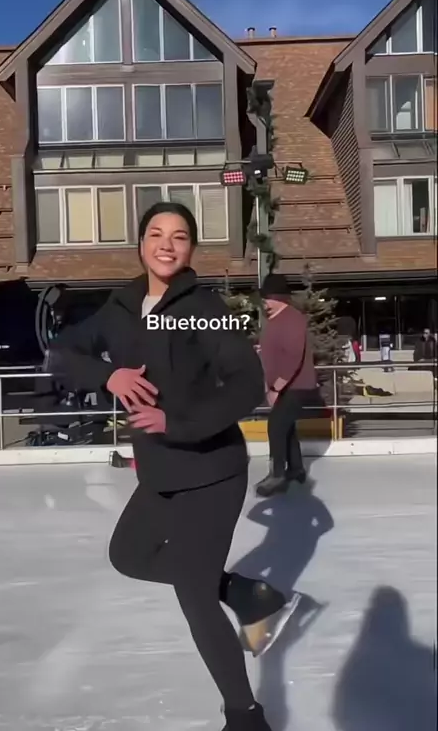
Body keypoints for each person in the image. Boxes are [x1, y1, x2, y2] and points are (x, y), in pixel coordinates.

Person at [50, 202, 297, 731]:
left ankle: (246, 717)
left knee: (194, 595)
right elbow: (63, 352)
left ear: (191, 249)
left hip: (211, 469)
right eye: (156, 234)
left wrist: (176, 421)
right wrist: (107, 376)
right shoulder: (120, 306)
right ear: (140, 244)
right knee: (128, 555)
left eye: (180, 236)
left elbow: (247, 384)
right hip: (161, 470)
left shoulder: (203, 308)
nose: (167, 244)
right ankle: (243, 592)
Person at [255, 273, 318, 498]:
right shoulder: (277, 319)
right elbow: (279, 347)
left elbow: (293, 357)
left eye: (267, 298)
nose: (264, 302)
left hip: (296, 386)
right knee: (286, 427)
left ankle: (277, 475)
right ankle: (296, 469)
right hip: (286, 386)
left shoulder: (292, 318)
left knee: (276, 426)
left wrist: (276, 388)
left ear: (277, 297)